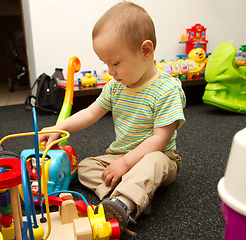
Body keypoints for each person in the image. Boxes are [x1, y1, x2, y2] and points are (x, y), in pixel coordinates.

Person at [39, 1, 186, 233]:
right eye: (106, 63)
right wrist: (61, 127)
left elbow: (160, 139)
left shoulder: (166, 90)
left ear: (145, 51)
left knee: (153, 162)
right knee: (87, 166)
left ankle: (124, 203)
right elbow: (90, 112)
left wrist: (127, 163)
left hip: (159, 157)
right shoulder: (116, 87)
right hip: (120, 156)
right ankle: (125, 192)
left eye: (115, 63)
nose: (110, 70)